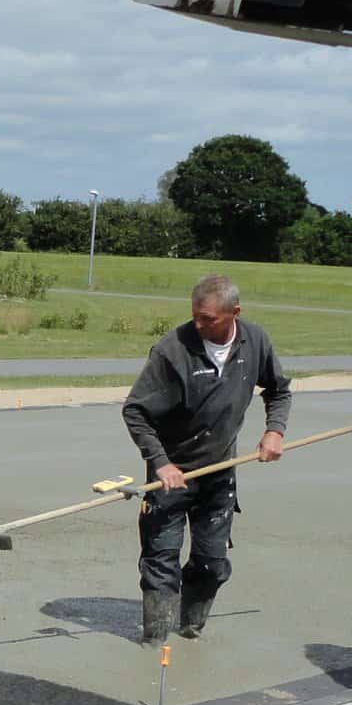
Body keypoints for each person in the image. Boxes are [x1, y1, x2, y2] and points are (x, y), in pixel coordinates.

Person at [120, 275, 293, 645]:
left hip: (218, 472)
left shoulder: (255, 342)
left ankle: (190, 627)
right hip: (170, 473)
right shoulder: (172, 351)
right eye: (195, 317)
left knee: (212, 563)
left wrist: (274, 430)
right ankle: (156, 641)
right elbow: (135, 411)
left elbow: (279, 390)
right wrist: (161, 463)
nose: (198, 325)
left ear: (235, 313)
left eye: (208, 319)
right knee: (160, 560)